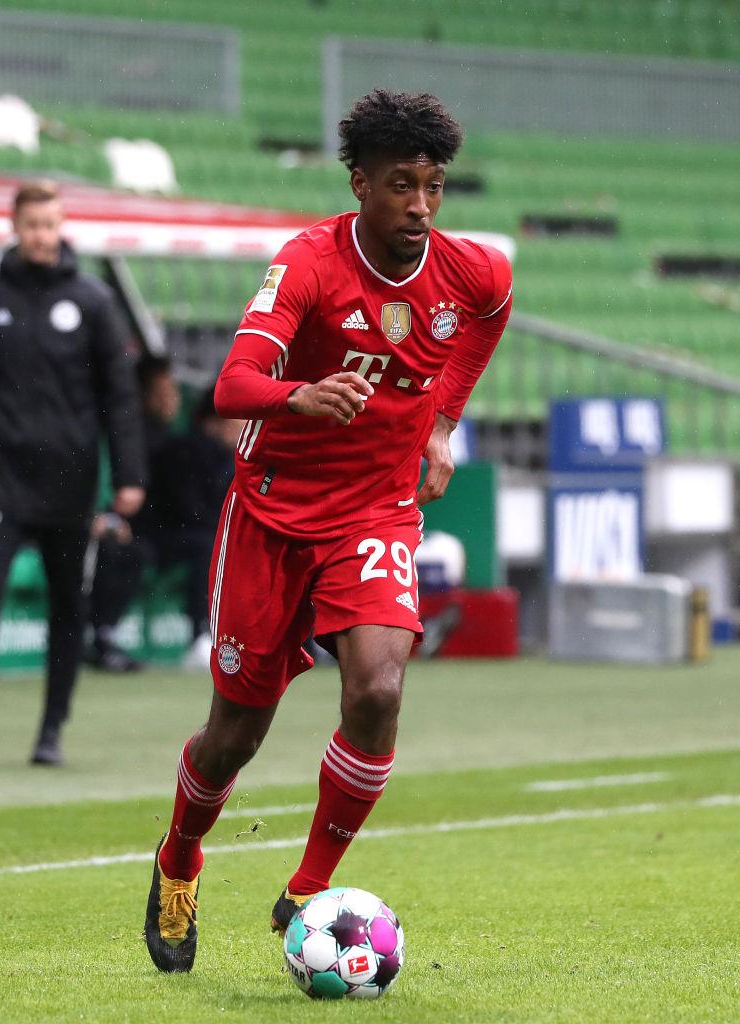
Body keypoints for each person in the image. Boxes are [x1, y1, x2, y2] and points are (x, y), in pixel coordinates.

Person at [143, 90, 512, 973]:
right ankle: (179, 859)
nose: (420, 205)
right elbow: (230, 387)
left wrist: (443, 423)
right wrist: (298, 396)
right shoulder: (309, 263)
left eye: (433, 186)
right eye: (401, 185)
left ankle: (309, 888)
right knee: (235, 733)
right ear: (360, 185)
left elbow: (489, 320)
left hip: (375, 510)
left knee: (379, 690)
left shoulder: (474, 273)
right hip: (272, 513)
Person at [0, 180, 146, 767]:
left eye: (50, 225)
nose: (41, 236)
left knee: (67, 605)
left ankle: (50, 732)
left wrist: (129, 475)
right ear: (15, 227)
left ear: (61, 226)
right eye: (32, 225)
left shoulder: (91, 301)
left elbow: (120, 395)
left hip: (67, 481)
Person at [85, 372, 242, 671]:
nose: (172, 398)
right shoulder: (183, 448)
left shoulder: (232, 457)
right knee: (208, 546)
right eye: (163, 391)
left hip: (167, 534)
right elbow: (188, 510)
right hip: (157, 535)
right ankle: (201, 635)